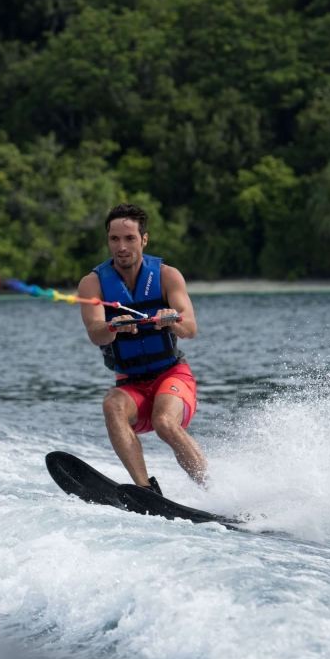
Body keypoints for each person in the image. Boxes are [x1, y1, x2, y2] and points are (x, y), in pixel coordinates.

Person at [77, 203, 208, 493]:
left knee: (164, 421)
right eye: (114, 239)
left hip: (172, 376)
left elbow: (190, 329)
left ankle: (213, 489)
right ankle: (146, 491)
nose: (121, 247)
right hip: (131, 385)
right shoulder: (92, 284)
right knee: (112, 404)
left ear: (144, 239)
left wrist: (172, 320)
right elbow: (96, 333)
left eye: (129, 238)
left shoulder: (167, 276)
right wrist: (112, 326)